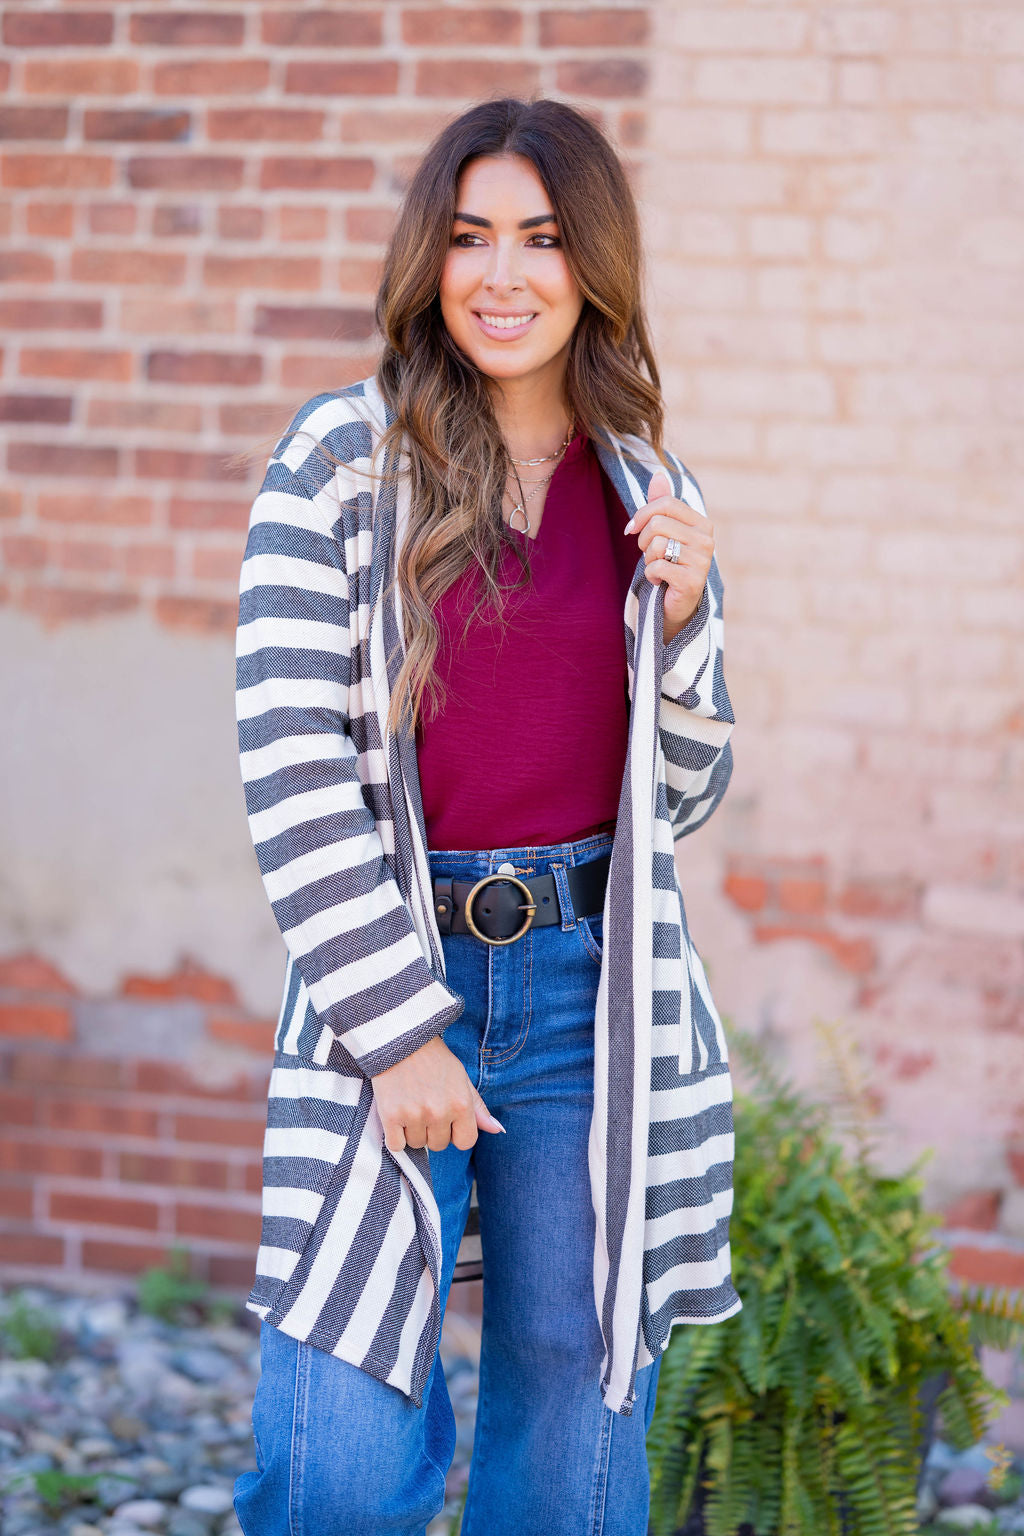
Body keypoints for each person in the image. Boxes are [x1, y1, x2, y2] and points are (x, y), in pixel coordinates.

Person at [232, 97, 739, 1536]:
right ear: (429, 257)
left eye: (542, 238)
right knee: (335, 1459)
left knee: (572, 1440)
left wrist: (687, 625)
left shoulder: (646, 486)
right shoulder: (341, 459)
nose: (502, 275)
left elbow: (684, 797)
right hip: (390, 972)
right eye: (469, 237)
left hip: (590, 993)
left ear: (595, 267)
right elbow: (288, 761)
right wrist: (399, 1029)